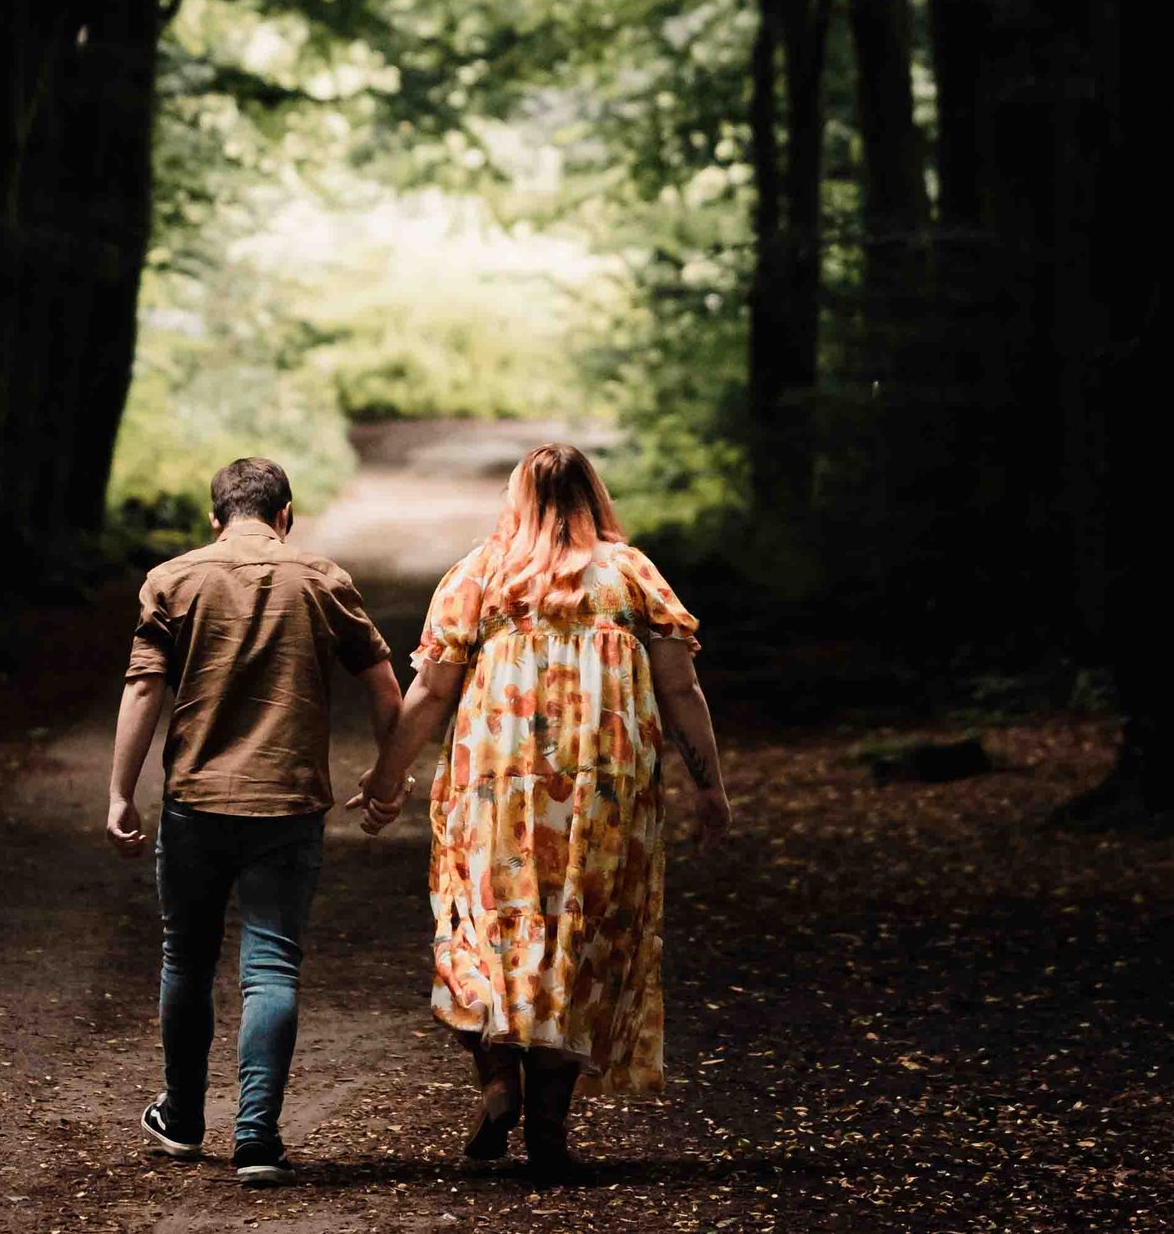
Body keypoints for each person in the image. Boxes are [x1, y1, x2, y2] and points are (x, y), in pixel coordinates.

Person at [349, 442, 731, 1179]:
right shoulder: (632, 575)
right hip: (603, 795)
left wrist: (386, 776)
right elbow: (681, 689)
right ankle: (549, 1123)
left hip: (496, 789)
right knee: (578, 940)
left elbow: (429, 690)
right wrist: (709, 785)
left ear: (516, 497)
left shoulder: (479, 574)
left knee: (485, 925)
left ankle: (498, 1086)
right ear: (595, 494)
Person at [106, 457, 403, 1187]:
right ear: (287, 514)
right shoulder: (323, 580)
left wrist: (121, 789)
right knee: (271, 965)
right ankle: (257, 1139)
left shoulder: (172, 580)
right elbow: (384, 683)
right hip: (290, 803)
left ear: (216, 518)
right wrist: (387, 775)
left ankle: (181, 1118)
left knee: (187, 956)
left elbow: (144, 688)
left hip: (197, 799)